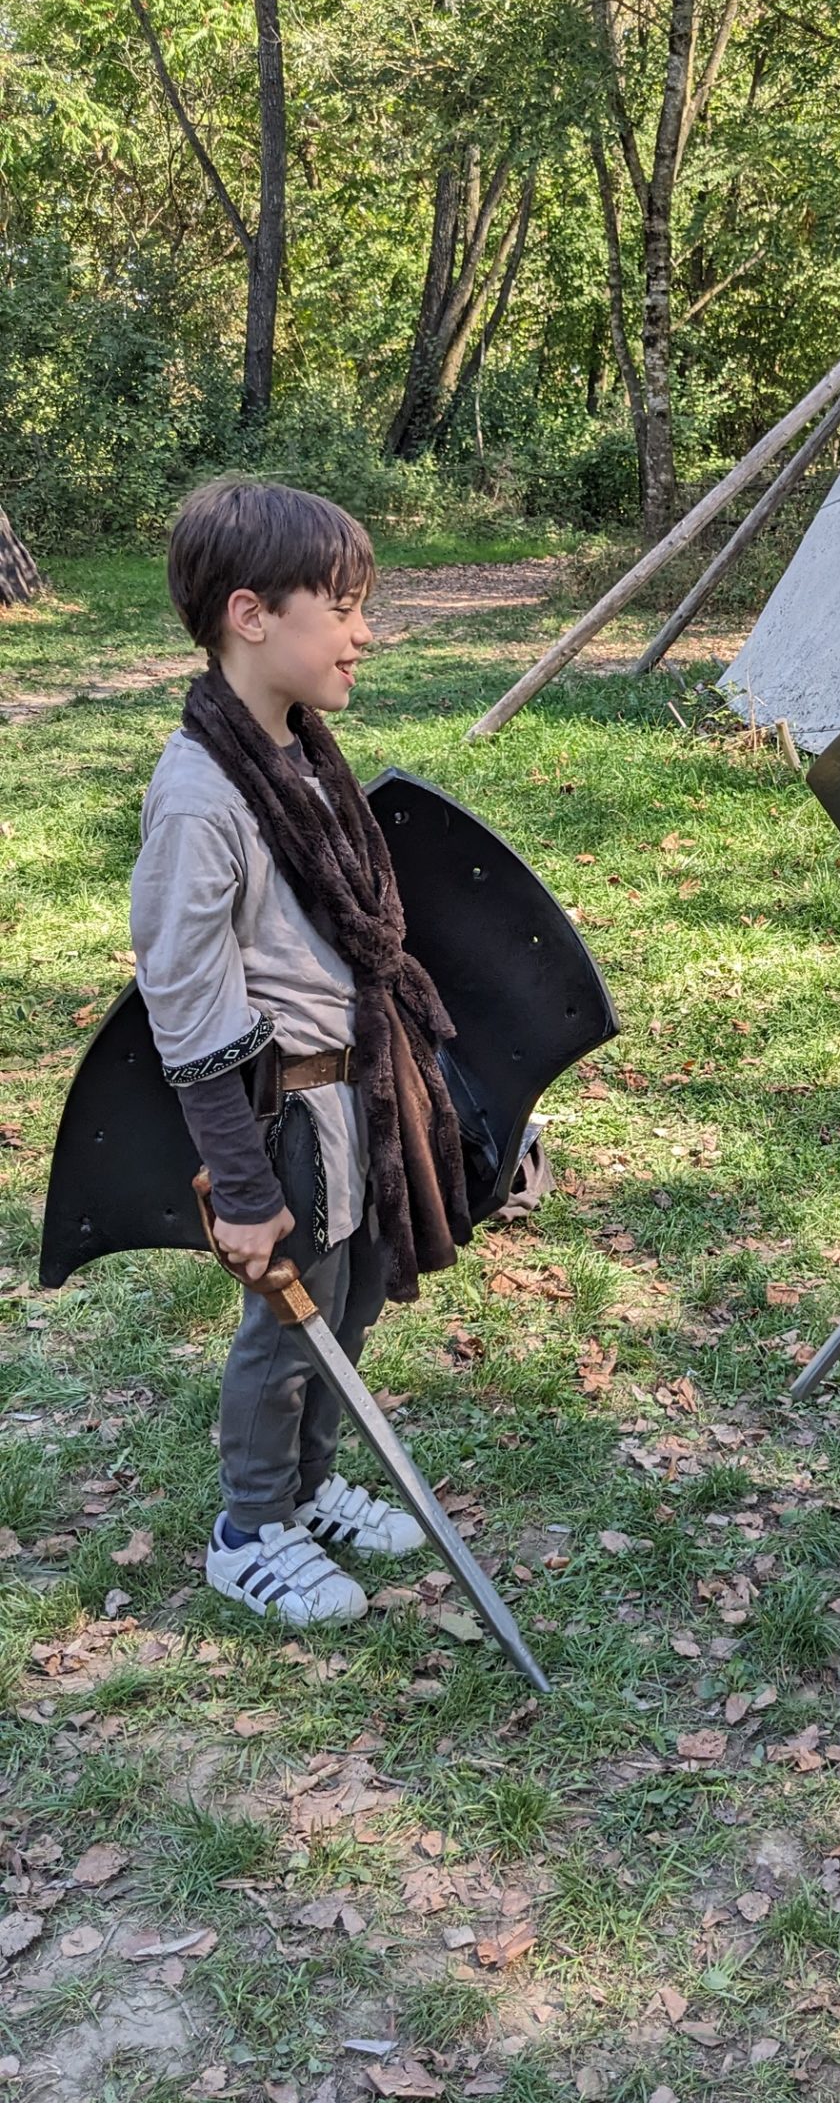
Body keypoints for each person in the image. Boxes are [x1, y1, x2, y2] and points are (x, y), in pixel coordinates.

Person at [132, 477, 473, 1627]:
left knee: (352, 1303)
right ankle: (249, 1528)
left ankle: (309, 1489)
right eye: (342, 607)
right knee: (289, 1333)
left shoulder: (299, 756)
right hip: (283, 1116)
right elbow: (186, 1011)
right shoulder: (201, 798)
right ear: (251, 614)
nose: (364, 632)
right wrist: (241, 1184)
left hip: (353, 1095)